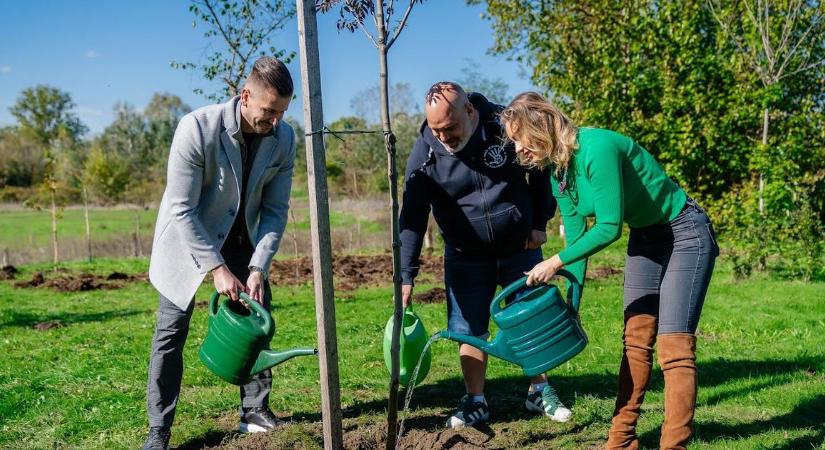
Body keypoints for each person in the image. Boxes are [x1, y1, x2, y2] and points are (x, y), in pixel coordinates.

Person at [500, 92, 719, 450]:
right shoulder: (558, 172)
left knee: (674, 346)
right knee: (635, 340)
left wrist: (553, 262)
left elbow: (608, 227)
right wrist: (572, 303)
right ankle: (620, 441)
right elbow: (576, 239)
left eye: (519, 138)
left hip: (684, 233)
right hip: (648, 237)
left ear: (541, 125)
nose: (517, 150)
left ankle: (674, 445)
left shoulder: (596, 148)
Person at [141, 56, 297, 450]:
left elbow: (276, 210)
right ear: (245, 96)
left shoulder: (285, 139)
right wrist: (216, 267)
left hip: (244, 240)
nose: (275, 121)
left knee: (258, 320)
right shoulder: (196, 128)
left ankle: (255, 410)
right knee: (170, 334)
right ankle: (159, 429)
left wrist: (258, 265)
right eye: (269, 110)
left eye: (281, 112)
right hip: (189, 239)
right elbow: (181, 208)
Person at [399, 82, 571, 429]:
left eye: (450, 128)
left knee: (529, 317)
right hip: (465, 254)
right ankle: (475, 400)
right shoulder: (425, 154)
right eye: (436, 130)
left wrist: (540, 221)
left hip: (519, 247)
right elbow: (412, 217)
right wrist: (405, 276)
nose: (444, 137)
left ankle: (540, 391)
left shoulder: (502, 124)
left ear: (470, 111)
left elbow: (539, 168)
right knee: (467, 328)